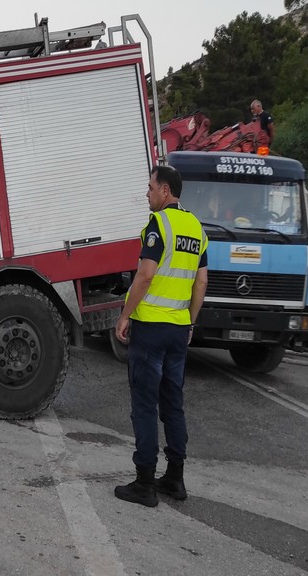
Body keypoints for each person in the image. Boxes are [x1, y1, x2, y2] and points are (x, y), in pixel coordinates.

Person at [113, 166, 209, 507]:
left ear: (165, 190)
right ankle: (175, 478)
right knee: (173, 404)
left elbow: (145, 275)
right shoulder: (196, 228)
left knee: (144, 404)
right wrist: (190, 323)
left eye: (151, 187)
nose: (147, 193)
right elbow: (201, 282)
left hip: (151, 329)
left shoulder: (159, 225)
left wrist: (125, 315)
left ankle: (144, 483)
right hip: (178, 330)